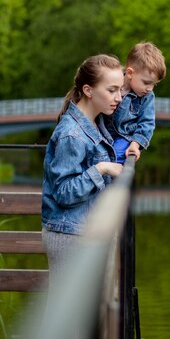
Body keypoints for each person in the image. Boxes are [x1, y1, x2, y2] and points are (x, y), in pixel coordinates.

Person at [41, 54, 125, 286]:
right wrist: (102, 168)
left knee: (84, 316)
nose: (119, 97)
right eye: (112, 90)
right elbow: (64, 192)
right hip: (69, 236)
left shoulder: (96, 123)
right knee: (66, 316)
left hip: (84, 232)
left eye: (120, 89)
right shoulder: (72, 134)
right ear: (88, 90)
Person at [105, 41, 166, 163]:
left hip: (125, 137)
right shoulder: (111, 81)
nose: (150, 89)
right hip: (102, 133)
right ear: (130, 73)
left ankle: (113, 181)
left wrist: (135, 144)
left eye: (154, 84)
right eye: (147, 83)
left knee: (115, 156)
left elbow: (147, 123)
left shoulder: (147, 96)